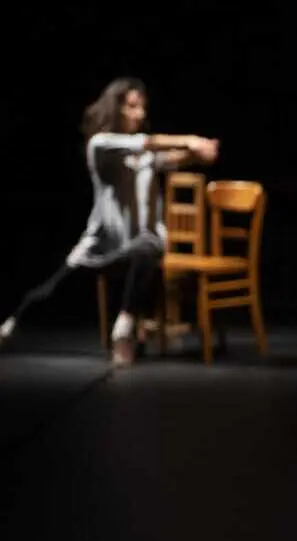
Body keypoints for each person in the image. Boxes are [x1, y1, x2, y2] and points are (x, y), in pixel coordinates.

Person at [0, 77, 219, 365]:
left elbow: (176, 158)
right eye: (131, 107)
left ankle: (125, 331)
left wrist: (201, 151)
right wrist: (190, 138)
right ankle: (10, 324)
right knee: (50, 292)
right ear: (115, 109)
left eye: (142, 108)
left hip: (139, 242)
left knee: (148, 248)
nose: (139, 115)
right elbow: (148, 142)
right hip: (102, 242)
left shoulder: (146, 156)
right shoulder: (101, 144)